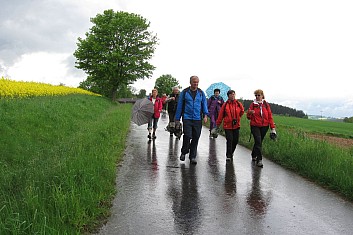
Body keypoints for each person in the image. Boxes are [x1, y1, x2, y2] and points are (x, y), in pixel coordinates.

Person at [175, 76, 209, 164]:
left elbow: (204, 104)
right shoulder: (185, 92)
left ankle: (192, 157)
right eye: (194, 82)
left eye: (197, 82)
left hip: (197, 118)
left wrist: (205, 115)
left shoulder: (201, 93)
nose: (196, 84)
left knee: (196, 137)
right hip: (187, 118)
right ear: (190, 82)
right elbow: (180, 105)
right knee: (187, 136)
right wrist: (177, 119)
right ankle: (184, 151)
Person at [246, 89, 276, 167]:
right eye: (256, 95)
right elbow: (248, 117)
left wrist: (273, 128)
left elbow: (270, 116)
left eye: (258, 95)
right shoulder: (253, 104)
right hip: (255, 125)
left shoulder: (266, 104)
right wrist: (249, 113)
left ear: (262, 95)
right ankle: (259, 160)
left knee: (259, 142)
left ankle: (253, 154)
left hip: (264, 126)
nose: (257, 97)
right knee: (258, 141)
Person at [216, 90, 244, 161]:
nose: (233, 96)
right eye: (231, 94)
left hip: (236, 125)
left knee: (235, 141)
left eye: (234, 94)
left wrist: (237, 118)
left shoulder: (238, 104)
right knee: (229, 140)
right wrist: (217, 125)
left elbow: (242, 111)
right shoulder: (225, 105)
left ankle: (231, 152)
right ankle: (228, 155)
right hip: (227, 125)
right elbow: (221, 115)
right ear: (228, 96)